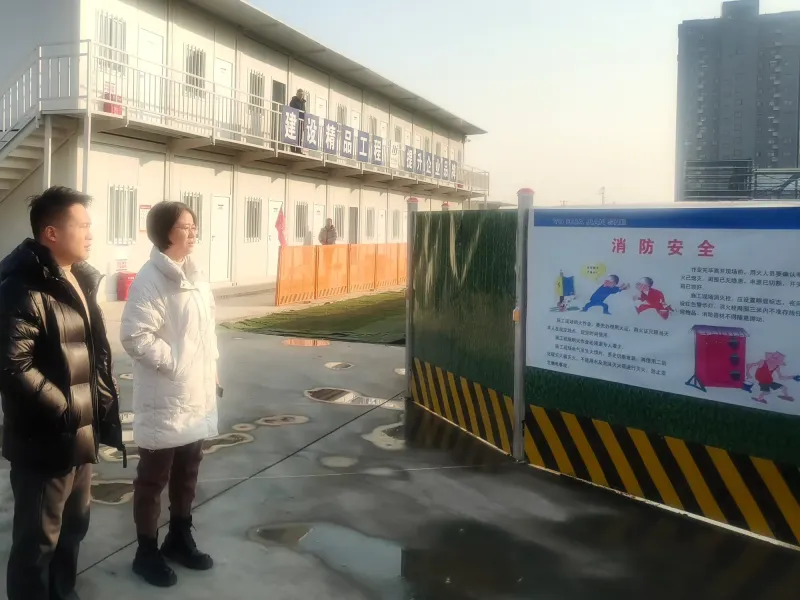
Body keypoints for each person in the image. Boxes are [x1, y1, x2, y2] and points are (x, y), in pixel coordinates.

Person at [0, 186, 124, 600]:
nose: (90, 234)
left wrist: (95, 409)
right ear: (51, 233)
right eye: (82, 225)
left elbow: (92, 354)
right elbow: (12, 366)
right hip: (44, 441)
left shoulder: (78, 279)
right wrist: (66, 408)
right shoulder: (22, 288)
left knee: (73, 529)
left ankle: (63, 593)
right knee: (37, 543)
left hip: (79, 434)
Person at [120, 201, 220, 588]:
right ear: (165, 232)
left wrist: (211, 370)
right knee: (153, 478)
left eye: (194, 226)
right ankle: (146, 552)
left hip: (196, 395)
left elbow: (206, 332)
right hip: (165, 397)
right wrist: (175, 363)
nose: (193, 232)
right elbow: (134, 336)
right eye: (185, 226)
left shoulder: (195, 275)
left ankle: (179, 536)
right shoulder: (151, 279)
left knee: (187, 472)